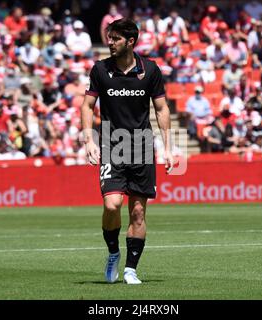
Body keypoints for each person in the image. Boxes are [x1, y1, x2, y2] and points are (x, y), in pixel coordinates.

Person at [80, 18, 173, 284]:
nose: (109, 42)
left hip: (143, 146)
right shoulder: (99, 70)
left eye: (115, 38)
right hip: (112, 145)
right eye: (109, 38)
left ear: (130, 41)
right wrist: (89, 140)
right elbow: (87, 106)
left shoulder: (151, 70)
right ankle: (113, 253)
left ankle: (131, 268)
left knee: (138, 212)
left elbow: (162, 109)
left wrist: (167, 148)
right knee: (112, 204)